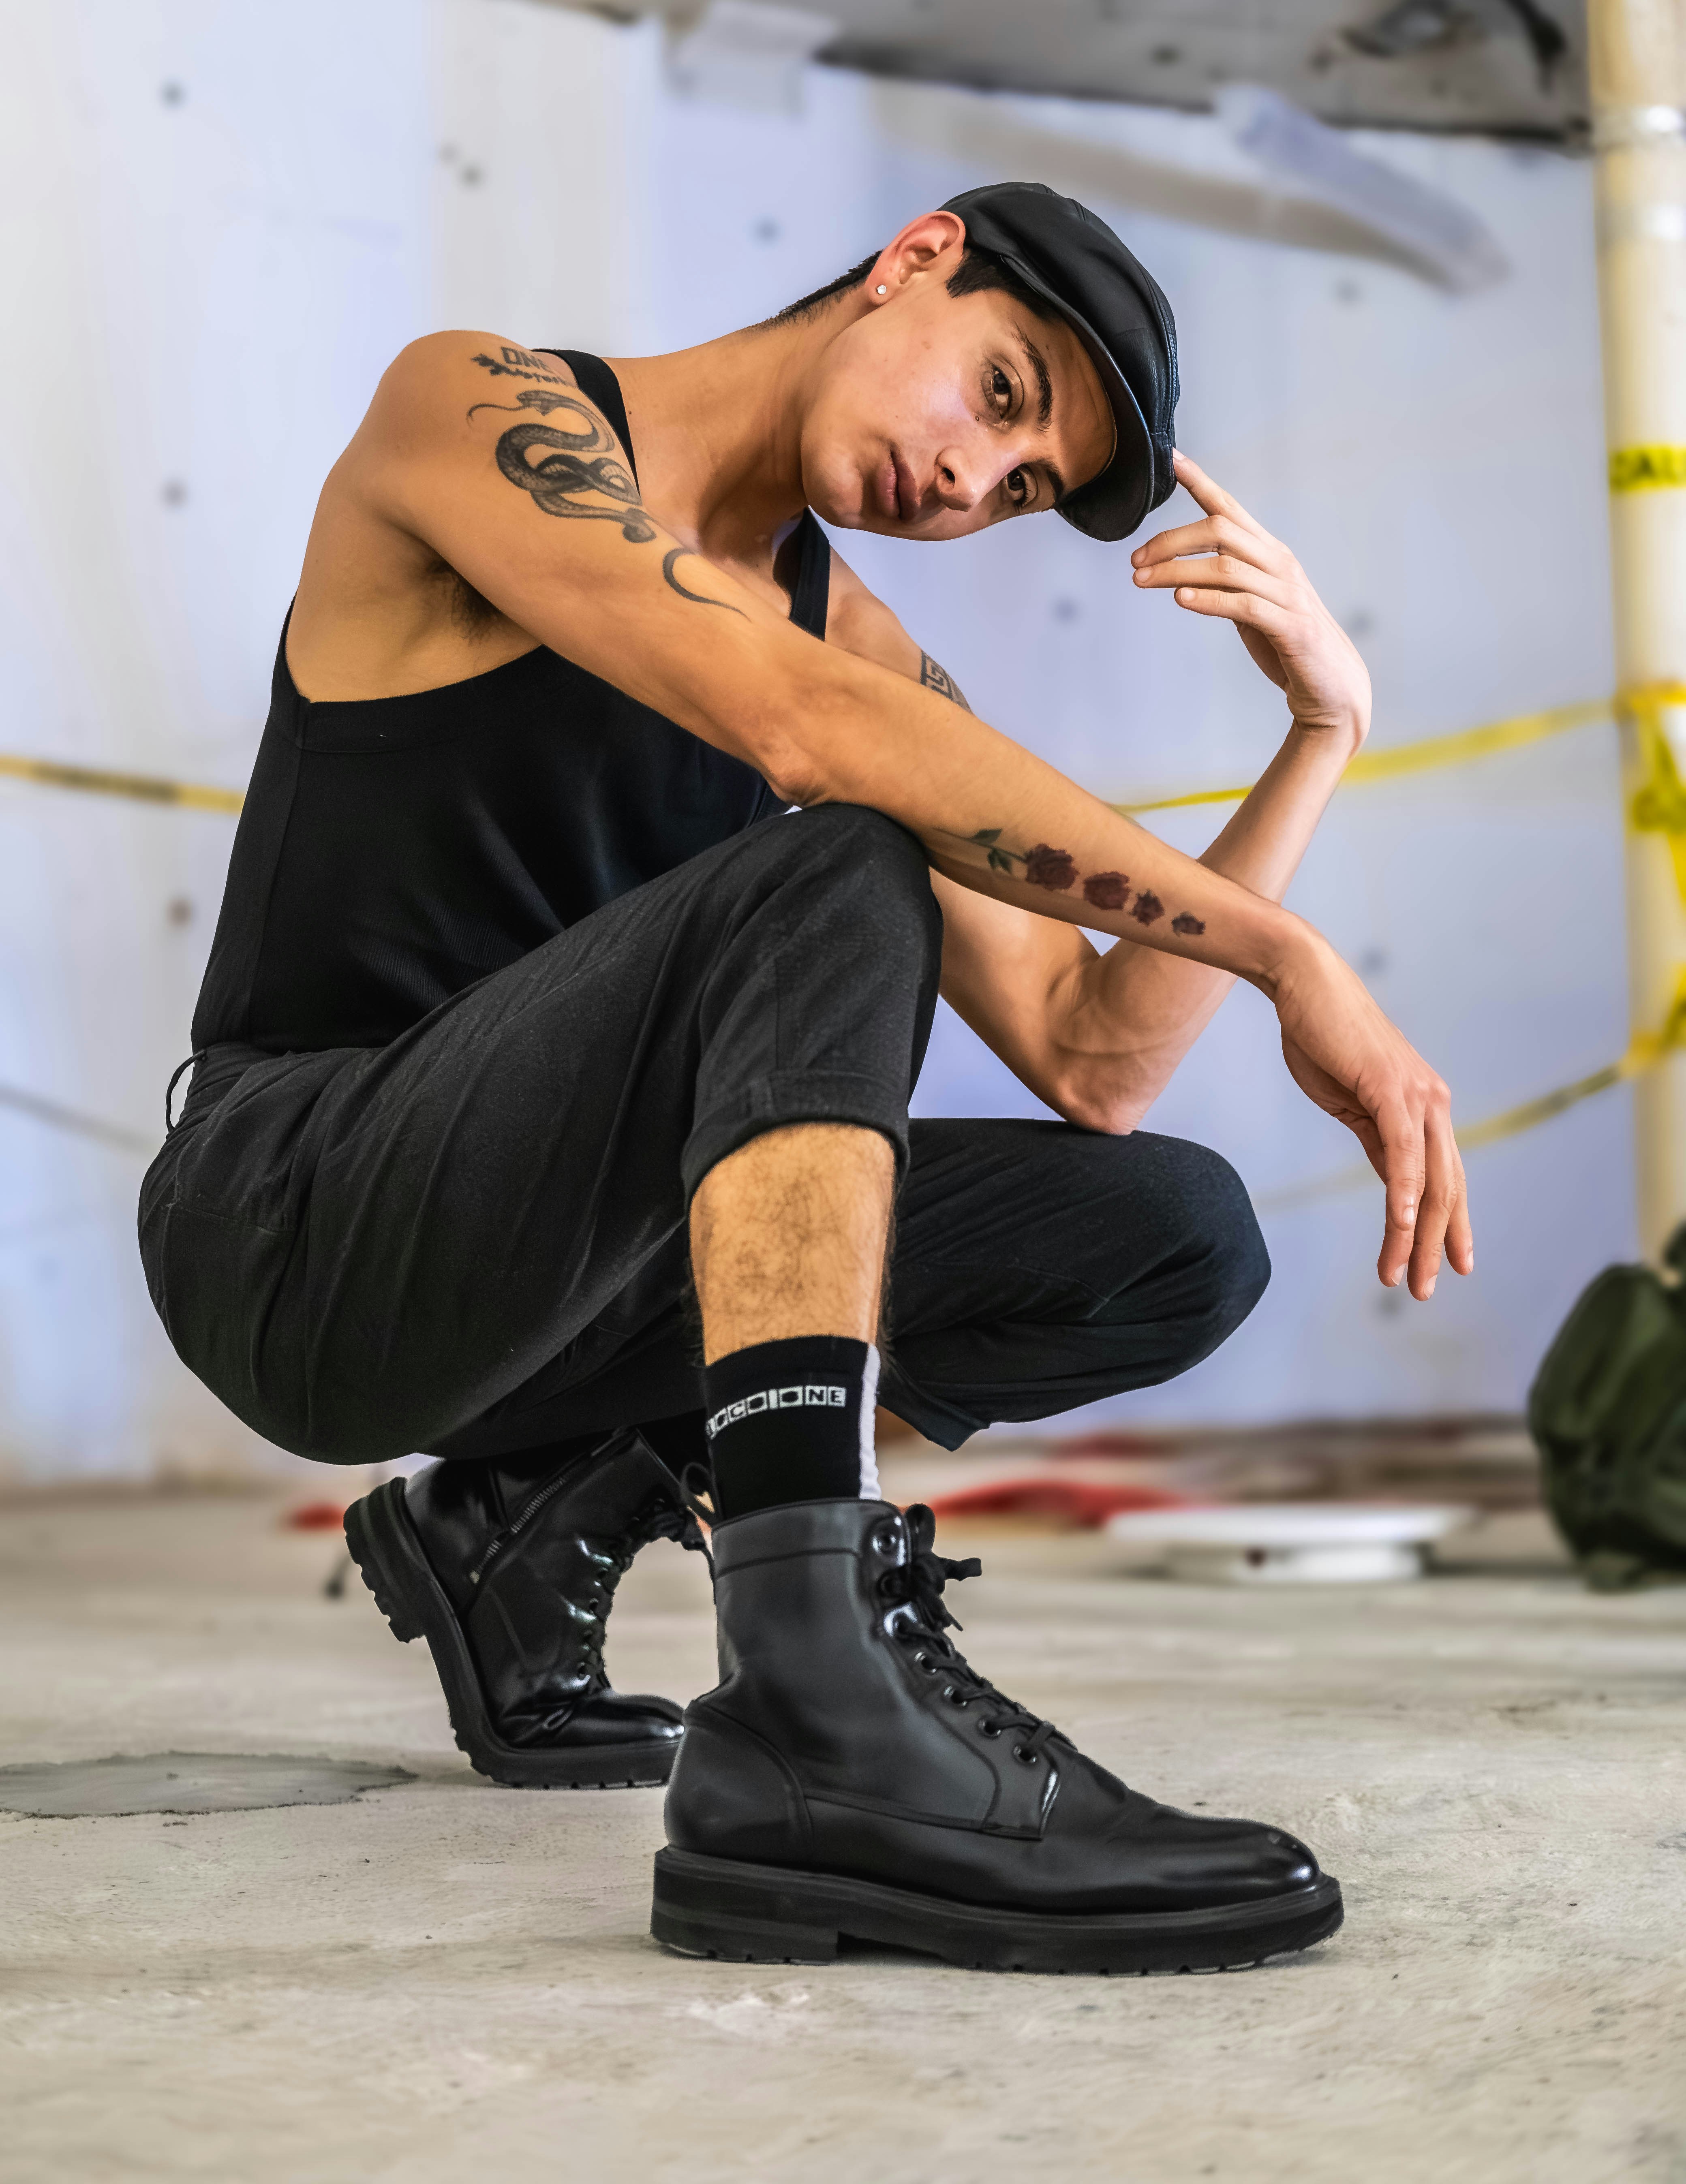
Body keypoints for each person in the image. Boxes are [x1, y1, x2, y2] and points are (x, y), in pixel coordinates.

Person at [140, 182, 1470, 1976]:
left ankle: (524, 1518)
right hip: (298, 1217)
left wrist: (1318, 729)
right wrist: (1285, 955)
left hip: (559, 1274)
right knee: (842, 855)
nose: (969, 485)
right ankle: (816, 1696)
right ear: (915, 256)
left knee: (1170, 1236)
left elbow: (1094, 1060)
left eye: (1015, 488)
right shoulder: (477, 404)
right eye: (999, 397)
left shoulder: (840, 638)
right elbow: (797, 732)